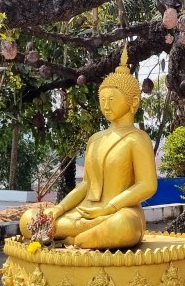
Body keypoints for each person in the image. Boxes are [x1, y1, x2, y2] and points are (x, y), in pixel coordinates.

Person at [19, 49, 157, 249]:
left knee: (123, 226)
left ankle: (75, 238)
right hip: (85, 212)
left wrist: (109, 207)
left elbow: (147, 185)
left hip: (120, 212)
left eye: (112, 99)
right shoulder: (96, 139)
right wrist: (59, 209)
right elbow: (86, 185)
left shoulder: (138, 138)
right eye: (103, 99)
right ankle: (85, 238)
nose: (106, 105)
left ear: (133, 102)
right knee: (29, 219)